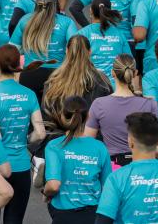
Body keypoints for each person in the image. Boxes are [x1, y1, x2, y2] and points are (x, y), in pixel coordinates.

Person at [0, 45, 46, 224]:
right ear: (18, 66)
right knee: (14, 219)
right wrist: (25, 141)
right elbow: (40, 133)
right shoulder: (29, 94)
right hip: (21, 166)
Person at [43, 96, 112, 224]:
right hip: (93, 212)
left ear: (62, 116)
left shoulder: (54, 146)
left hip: (63, 213)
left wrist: (46, 193)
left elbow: (53, 185)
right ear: (88, 117)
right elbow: (107, 185)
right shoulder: (100, 147)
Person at [85, 54, 158, 167]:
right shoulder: (150, 103)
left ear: (112, 73)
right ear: (135, 73)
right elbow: (157, 140)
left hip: (112, 166)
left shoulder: (99, 104)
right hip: (143, 165)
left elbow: (88, 142)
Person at [10, 0, 79, 99]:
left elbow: (12, 50)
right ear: (55, 3)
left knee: (31, 110)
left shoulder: (25, 20)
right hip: (58, 76)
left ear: (35, 3)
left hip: (29, 76)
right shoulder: (67, 22)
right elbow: (76, 50)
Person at [77, 0, 134, 85]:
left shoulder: (81, 34)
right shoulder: (119, 34)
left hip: (89, 86)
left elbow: (74, 64)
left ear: (91, 11)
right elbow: (129, 63)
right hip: (116, 88)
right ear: (109, 11)